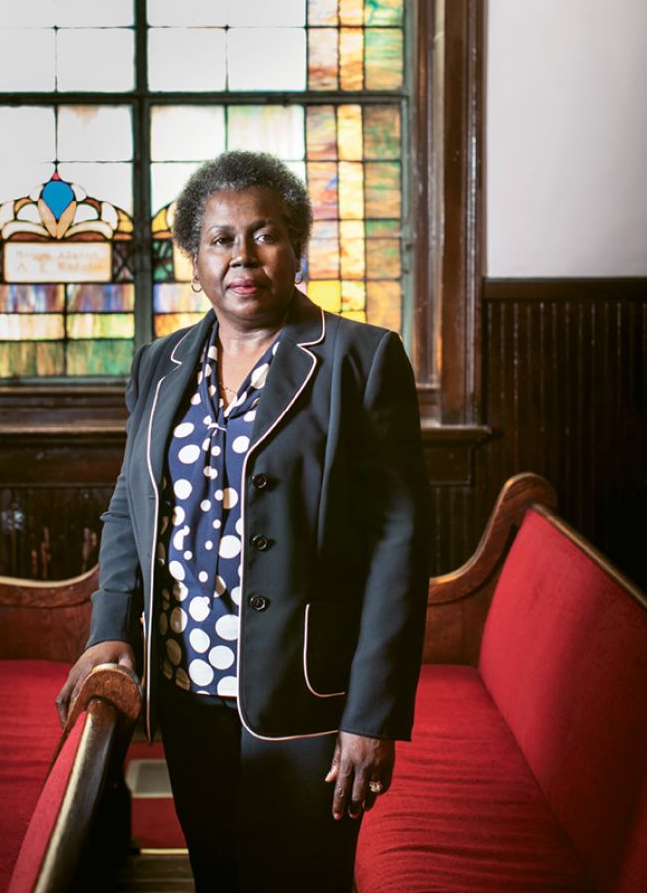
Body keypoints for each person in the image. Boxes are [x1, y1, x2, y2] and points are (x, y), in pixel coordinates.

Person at [56, 150, 432, 892]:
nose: (243, 256)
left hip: (306, 695)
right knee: (218, 878)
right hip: (186, 685)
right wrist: (108, 629)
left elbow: (399, 544)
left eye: (264, 235)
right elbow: (129, 510)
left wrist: (372, 715)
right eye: (221, 239)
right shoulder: (159, 365)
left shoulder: (361, 360)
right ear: (191, 257)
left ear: (295, 246)